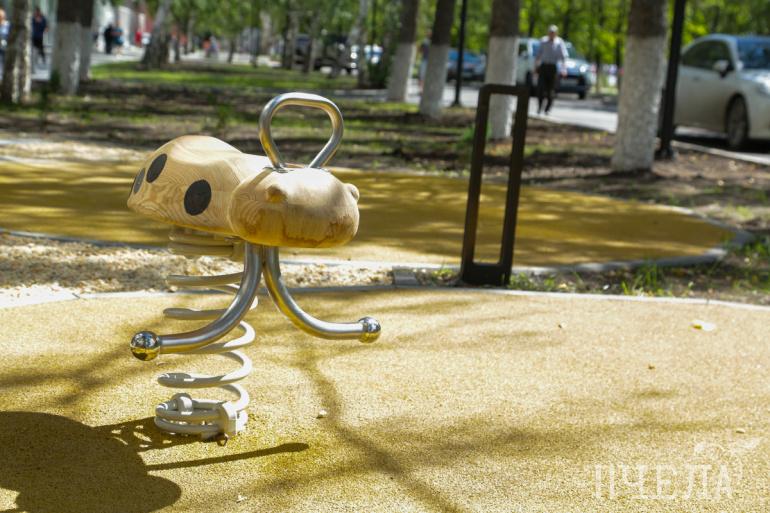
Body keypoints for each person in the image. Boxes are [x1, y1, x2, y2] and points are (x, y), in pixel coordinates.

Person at [534, 25, 568, 115]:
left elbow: (564, 57)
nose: (551, 34)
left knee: (551, 90)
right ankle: (539, 107)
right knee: (540, 88)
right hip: (544, 66)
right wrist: (535, 67)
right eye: (550, 32)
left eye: (553, 33)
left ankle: (547, 109)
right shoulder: (543, 41)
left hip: (553, 68)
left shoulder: (559, 42)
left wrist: (564, 69)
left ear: (556, 33)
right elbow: (538, 55)